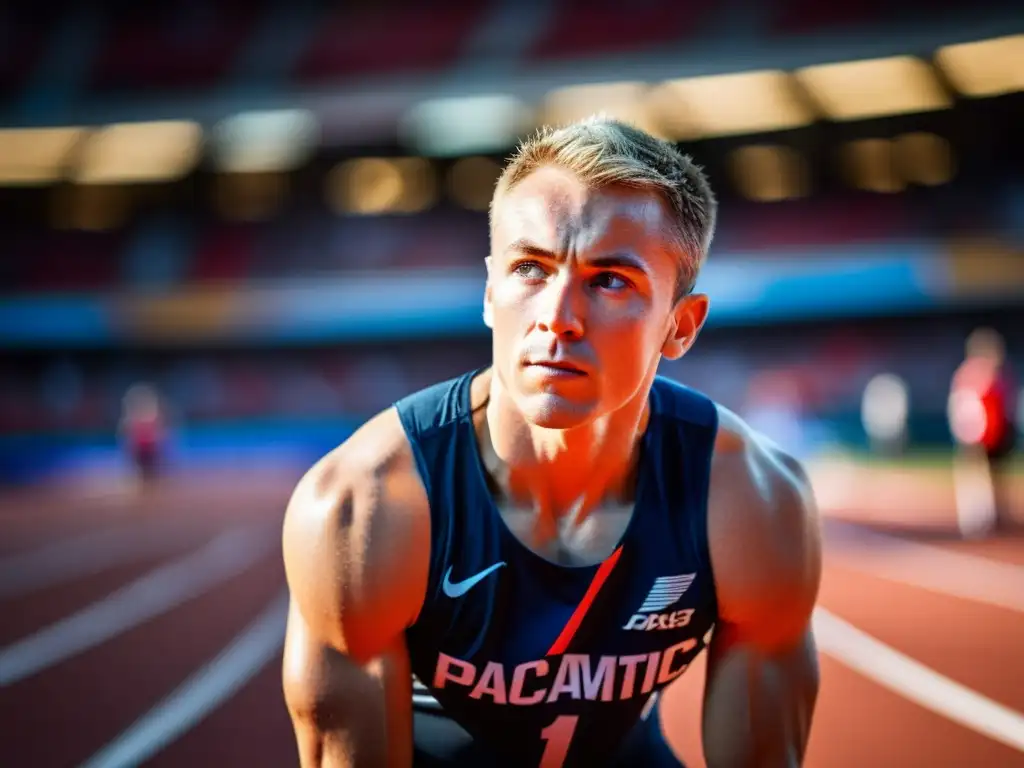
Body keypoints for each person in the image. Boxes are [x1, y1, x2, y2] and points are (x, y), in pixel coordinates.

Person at [281, 117, 822, 767]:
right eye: (530, 268)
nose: (558, 319)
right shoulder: (363, 509)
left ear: (680, 326)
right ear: (489, 292)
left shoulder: (752, 501)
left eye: (610, 280)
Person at [948, 328, 1018, 533]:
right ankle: (977, 517)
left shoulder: (1001, 376)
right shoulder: (971, 374)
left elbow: (1006, 407)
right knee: (976, 475)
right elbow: (965, 407)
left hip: (997, 434)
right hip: (976, 435)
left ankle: (995, 514)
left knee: (995, 475)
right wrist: (970, 433)